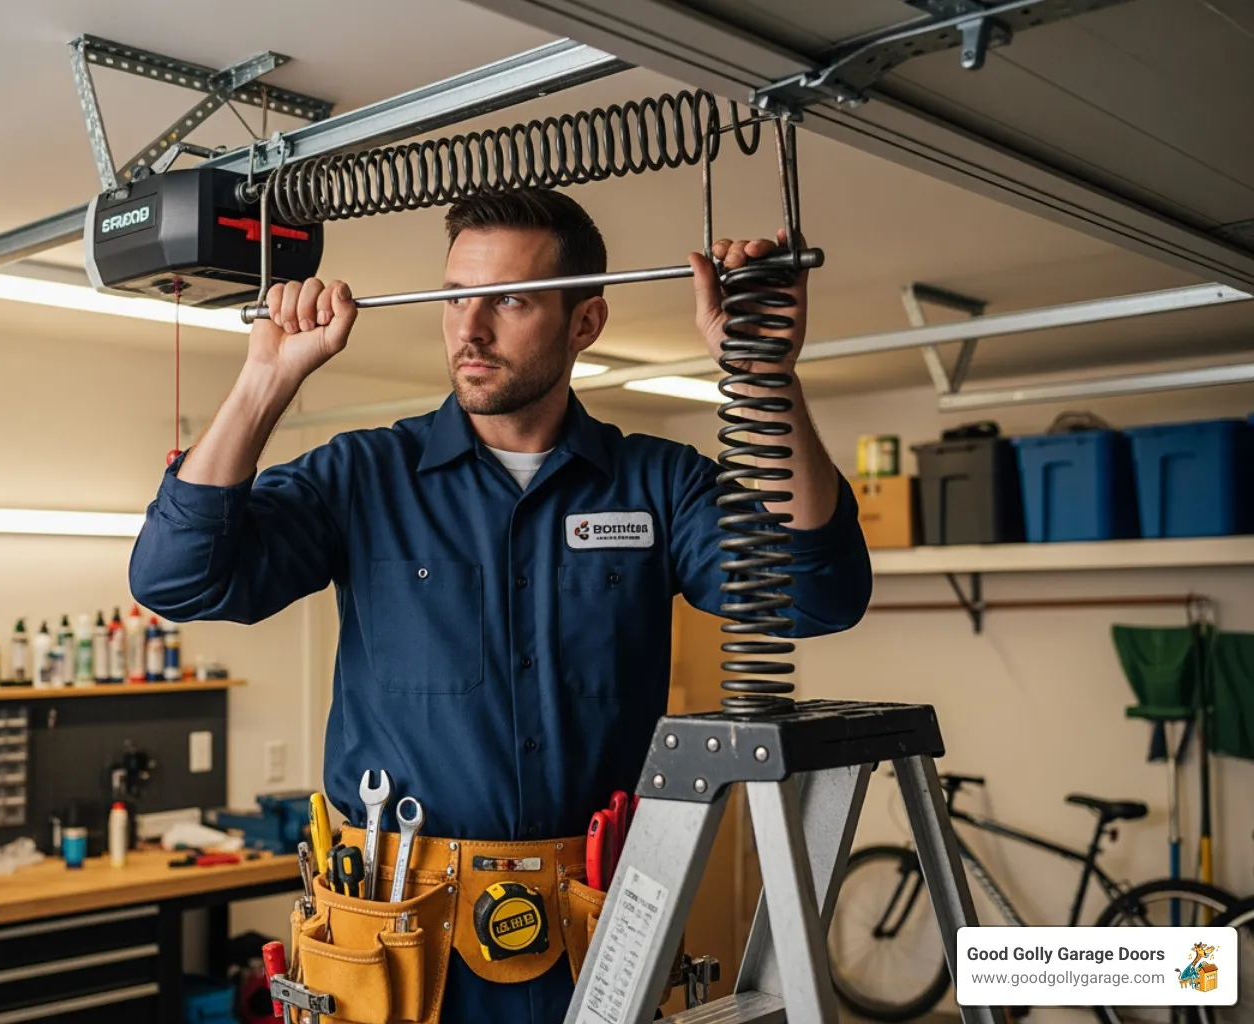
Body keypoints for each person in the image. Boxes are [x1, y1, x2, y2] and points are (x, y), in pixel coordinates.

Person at [129, 188, 871, 1022]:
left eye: (510, 300)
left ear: (585, 322)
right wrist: (264, 380)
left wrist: (763, 377)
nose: (470, 329)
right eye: (455, 298)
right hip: (396, 938)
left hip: (598, 930)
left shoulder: (659, 485)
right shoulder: (363, 477)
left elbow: (819, 595)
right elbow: (176, 580)